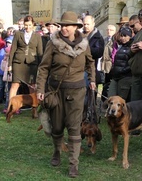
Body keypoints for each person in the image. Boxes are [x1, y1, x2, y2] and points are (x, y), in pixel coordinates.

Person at [36, 11, 95, 178]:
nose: (63, 28)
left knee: (74, 127)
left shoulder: (84, 43)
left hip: (77, 91)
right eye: (61, 25)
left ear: (75, 27)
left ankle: (73, 164)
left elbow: (90, 62)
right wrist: (41, 90)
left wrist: (92, 79)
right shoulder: (53, 43)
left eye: (67, 25)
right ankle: (56, 151)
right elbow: (43, 68)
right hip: (56, 91)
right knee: (56, 126)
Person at [8, 15, 43, 101]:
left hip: (32, 64)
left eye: (29, 25)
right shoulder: (18, 34)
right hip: (18, 63)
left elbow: (40, 52)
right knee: (15, 85)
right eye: (26, 25)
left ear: (33, 25)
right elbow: (13, 50)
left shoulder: (37, 36)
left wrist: (41, 66)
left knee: (32, 86)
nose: (27, 27)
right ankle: (11, 107)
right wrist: (10, 65)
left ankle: (33, 109)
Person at [108, 26, 133, 101]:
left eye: (125, 36)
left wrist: (125, 70)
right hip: (116, 76)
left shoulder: (132, 47)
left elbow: (133, 63)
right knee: (110, 98)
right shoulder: (120, 46)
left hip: (125, 77)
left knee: (121, 101)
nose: (123, 38)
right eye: (121, 36)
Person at [83, 15, 104, 86]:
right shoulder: (79, 36)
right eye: (84, 24)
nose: (85, 26)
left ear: (93, 24)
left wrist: (85, 49)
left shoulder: (98, 37)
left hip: (90, 69)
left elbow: (99, 53)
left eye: (88, 24)